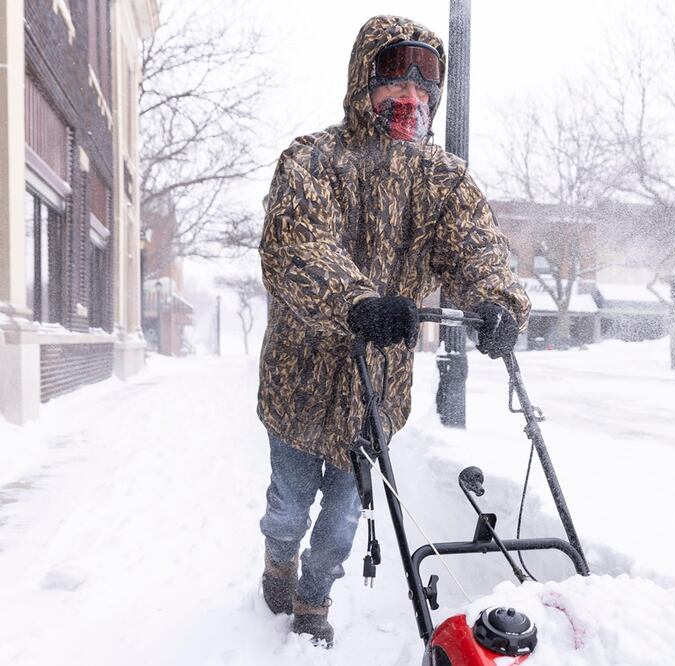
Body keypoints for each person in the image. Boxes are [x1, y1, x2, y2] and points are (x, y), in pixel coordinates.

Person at [255, 15, 530, 647]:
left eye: (425, 84)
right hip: (299, 384)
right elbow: (294, 250)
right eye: (393, 79)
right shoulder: (313, 161)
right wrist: (360, 302)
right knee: (289, 507)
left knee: (344, 517)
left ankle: (314, 598)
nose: (409, 98)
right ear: (363, 83)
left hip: (374, 395)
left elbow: (478, 248)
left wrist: (496, 300)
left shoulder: (444, 182)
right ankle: (277, 561)